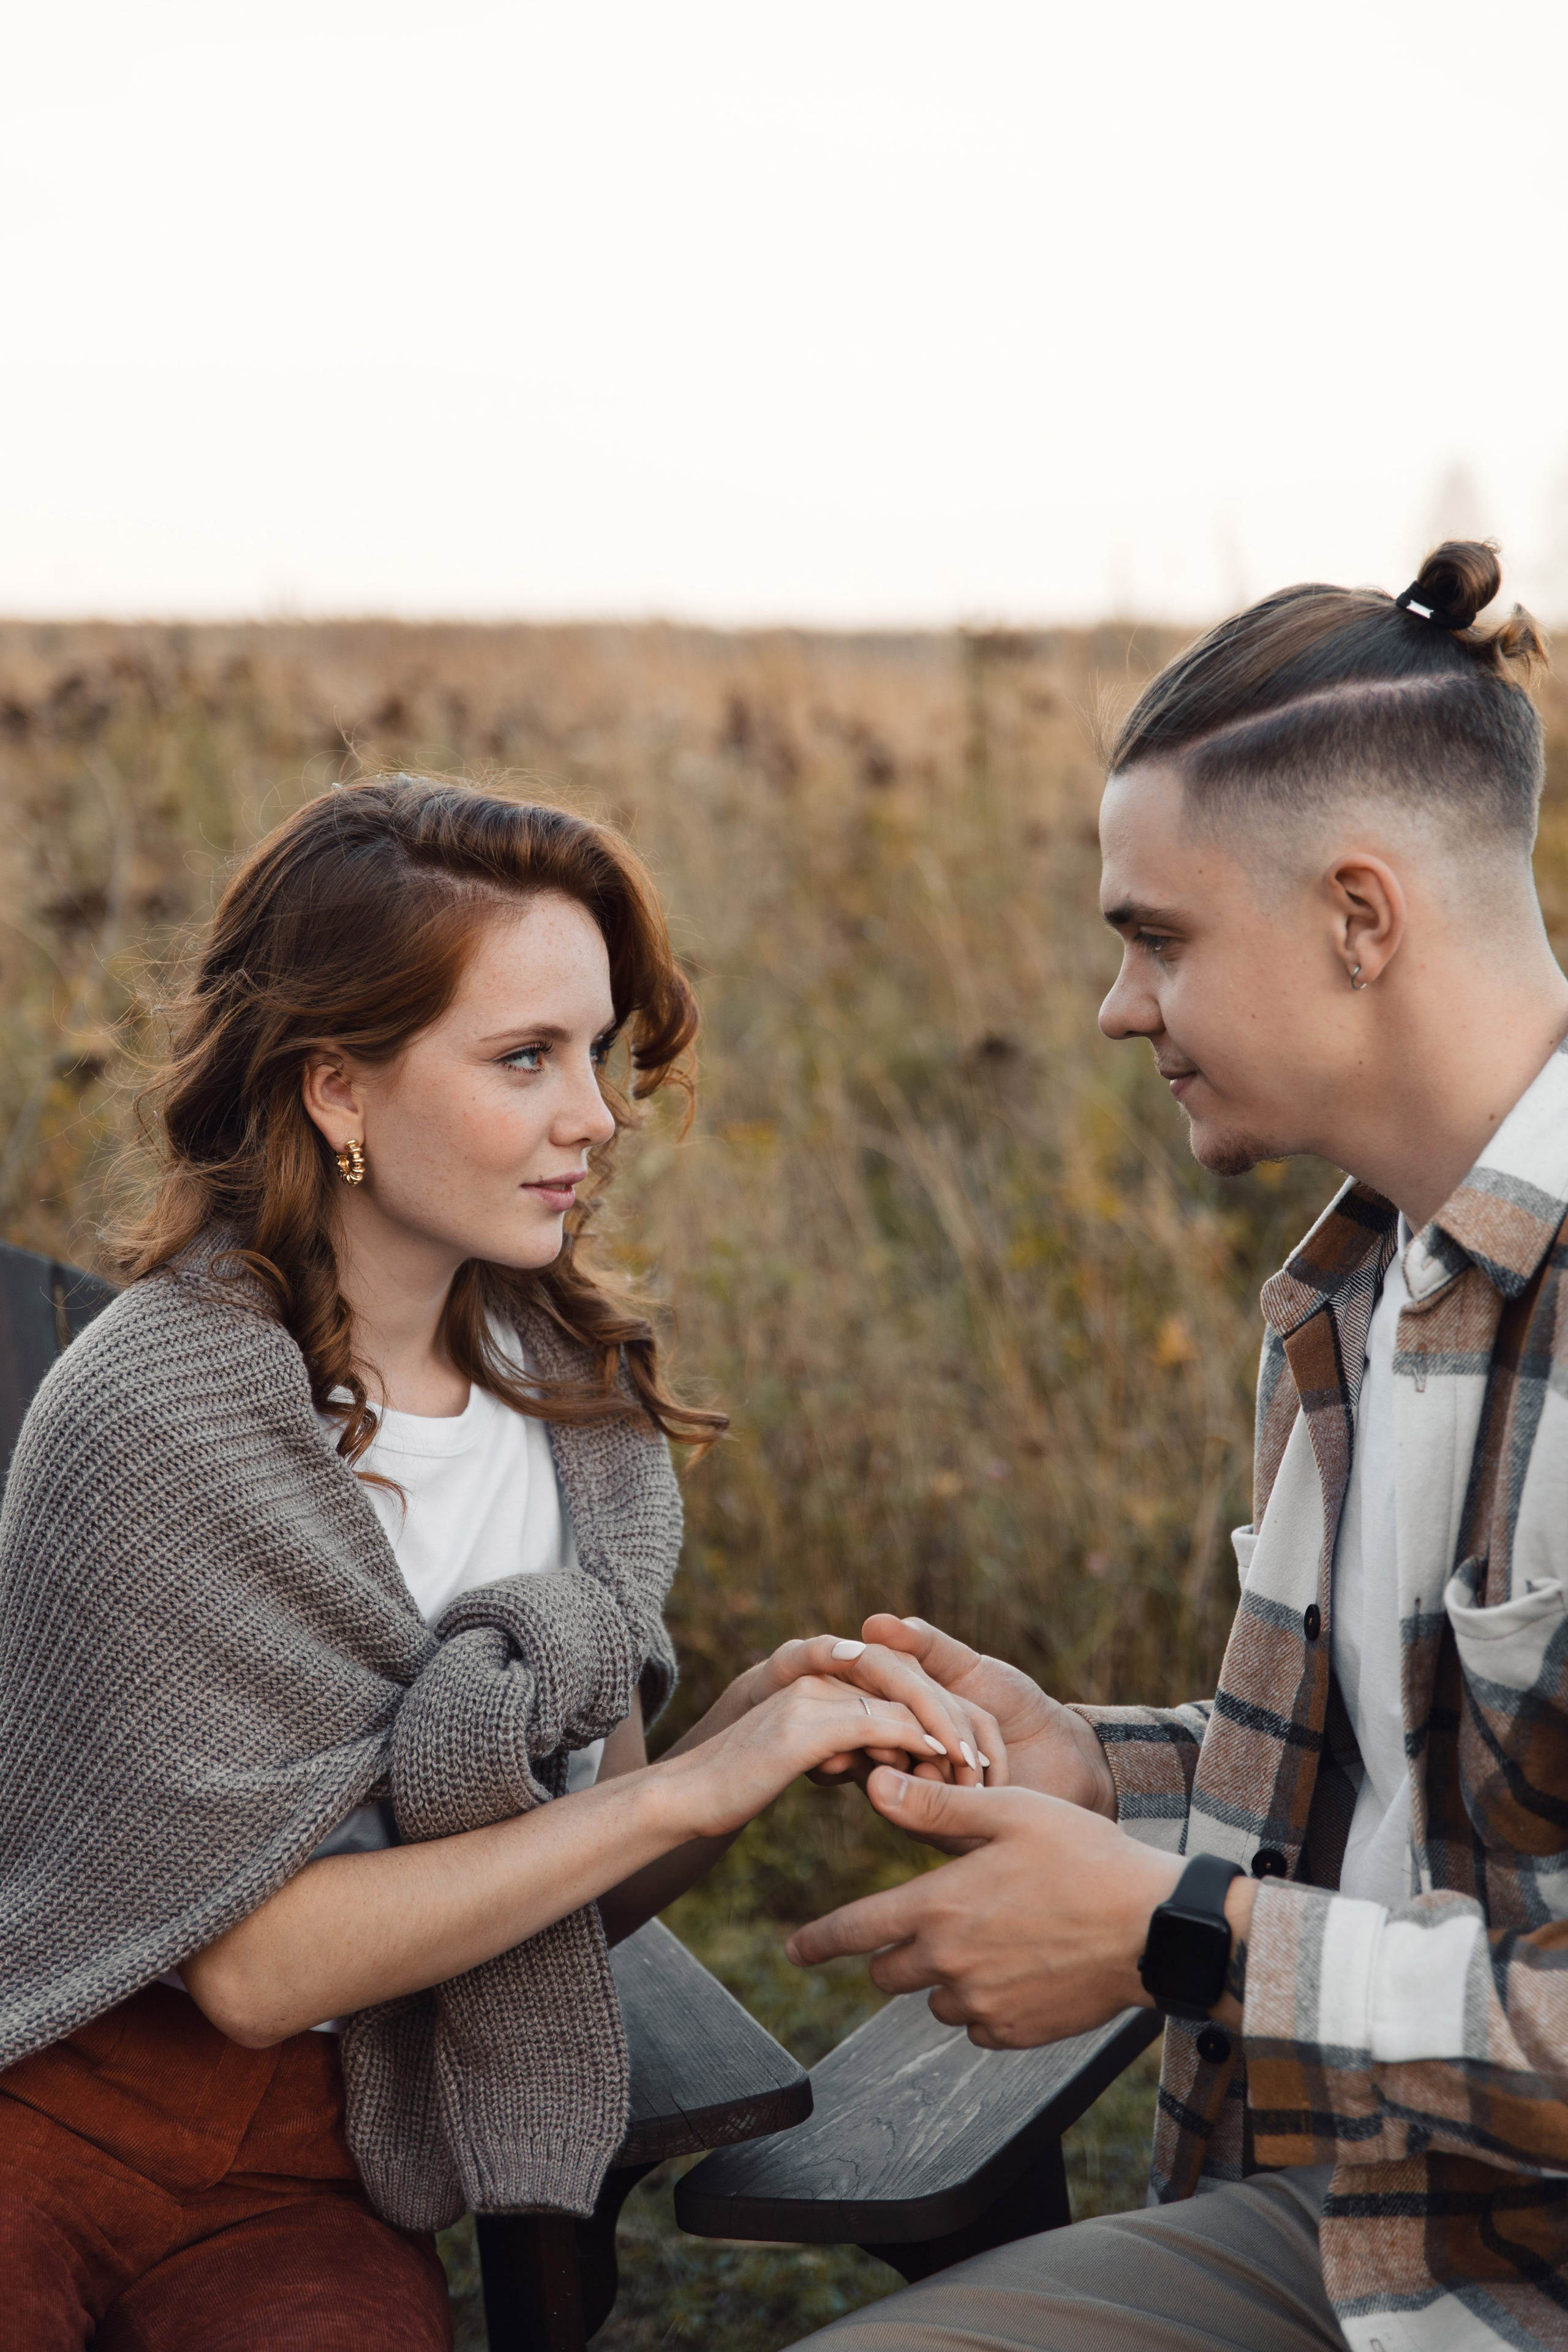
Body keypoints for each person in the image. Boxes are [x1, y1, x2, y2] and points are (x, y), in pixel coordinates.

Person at [0, 776, 997, 2351]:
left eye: (595, 1052)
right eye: (524, 1057)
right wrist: (679, 1793)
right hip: (52, 2087)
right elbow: (253, 1970)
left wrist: (754, 1731)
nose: (592, 1115)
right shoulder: (160, 1412)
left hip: (321, 2156)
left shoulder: (580, 1414)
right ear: (338, 1090)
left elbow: (572, 1880)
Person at [785, 542, 1568, 2352]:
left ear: (1359, 918)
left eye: (1158, 939)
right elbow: (1426, 1794)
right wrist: (1108, 1780)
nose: (1117, 1008)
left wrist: (1178, 1933)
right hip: (1376, 2217)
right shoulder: (1367, 1282)